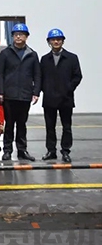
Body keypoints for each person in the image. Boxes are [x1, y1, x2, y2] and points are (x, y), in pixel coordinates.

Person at [0, 23, 41, 162]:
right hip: (9, 95)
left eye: (21, 35)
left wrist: (36, 92)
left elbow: (37, 75)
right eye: (16, 35)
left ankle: (22, 150)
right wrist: (0, 92)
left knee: (22, 124)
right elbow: (0, 74)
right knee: (9, 124)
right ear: (12, 37)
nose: (19, 37)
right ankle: (7, 151)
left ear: (26, 37)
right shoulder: (5, 53)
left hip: (25, 95)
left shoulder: (32, 54)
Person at [40, 28, 82, 163]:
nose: (56, 42)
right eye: (53, 40)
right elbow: (40, 77)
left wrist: (68, 88)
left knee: (67, 127)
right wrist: (44, 90)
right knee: (50, 127)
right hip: (49, 99)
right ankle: (51, 151)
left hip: (66, 98)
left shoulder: (72, 58)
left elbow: (77, 76)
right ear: (49, 42)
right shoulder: (44, 59)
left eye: (58, 39)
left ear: (63, 41)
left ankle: (65, 151)